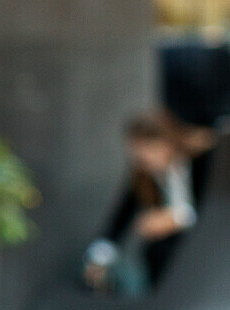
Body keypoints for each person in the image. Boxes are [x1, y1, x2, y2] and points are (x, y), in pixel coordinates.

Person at [82, 108, 216, 296]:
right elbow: (121, 217)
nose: (143, 161)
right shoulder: (143, 175)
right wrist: (99, 257)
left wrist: (175, 219)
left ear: (166, 143)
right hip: (167, 260)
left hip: (205, 257)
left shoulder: (205, 163)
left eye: (147, 153)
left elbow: (213, 209)